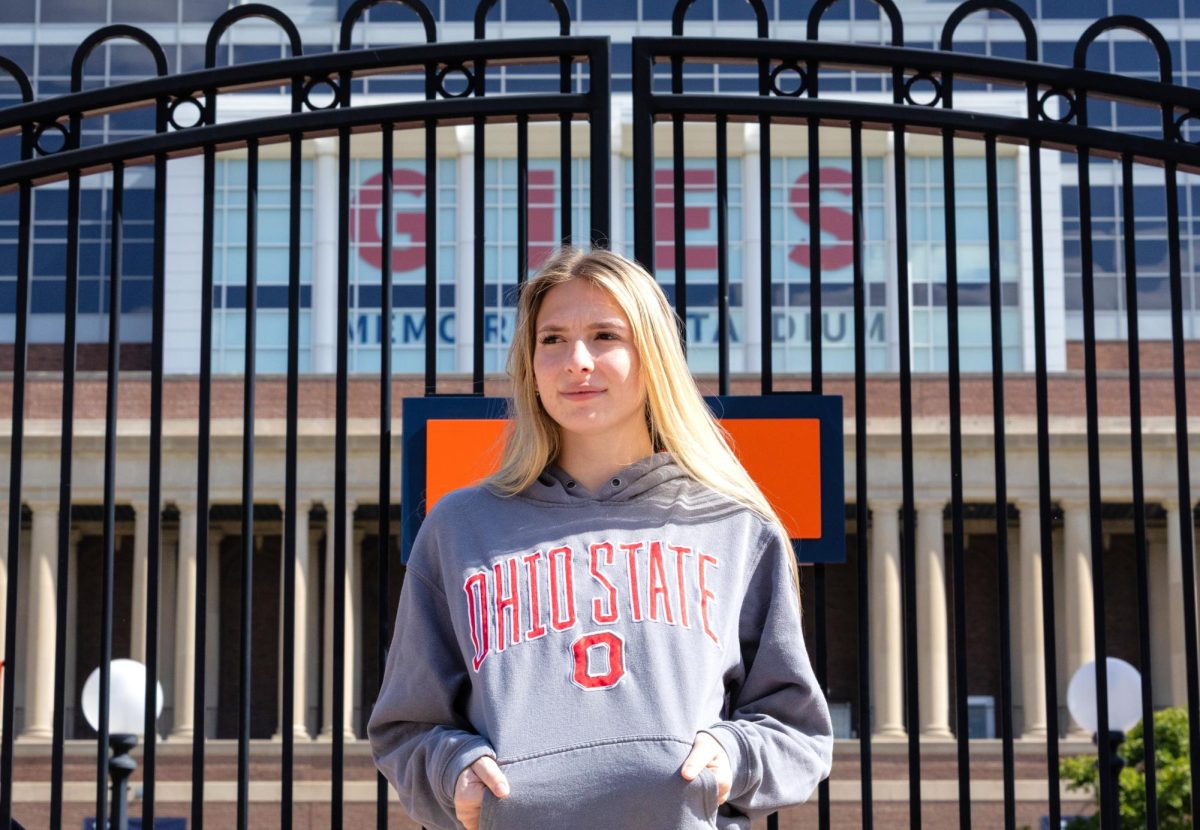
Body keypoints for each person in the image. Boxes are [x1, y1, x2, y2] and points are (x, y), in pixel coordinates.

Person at [368, 248, 833, 830]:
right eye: (553, 339)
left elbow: (797, 731)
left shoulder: (735, 527)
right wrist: (453, 771)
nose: (576, 361)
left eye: (605, 335)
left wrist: (733, 758)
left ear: (653, 356)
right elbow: (405, 727)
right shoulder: (460, 526)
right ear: (530, 363)